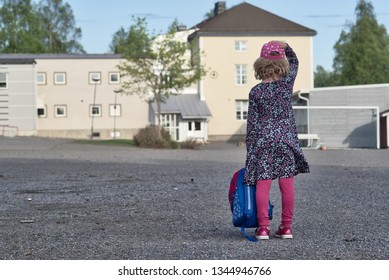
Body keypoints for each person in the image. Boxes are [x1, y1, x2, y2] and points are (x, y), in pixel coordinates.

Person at [244, 41, 310, 240]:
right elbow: (295, 62)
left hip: (263, 143)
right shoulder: (285, 86)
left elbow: (252, 124)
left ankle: (263, 228)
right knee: (286, 185)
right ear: (282, 66)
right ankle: (286, 227)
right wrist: (287, 46)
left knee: (262, 185)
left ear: (259, 66)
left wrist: (250, 150)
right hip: (285, 142)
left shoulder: (255, 92)